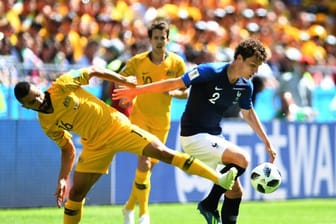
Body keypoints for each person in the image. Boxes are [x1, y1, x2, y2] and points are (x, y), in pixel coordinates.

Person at [13, 66, 237, 224]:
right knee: (76, 194)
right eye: (32, 101)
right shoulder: (46, 123)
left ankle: (218, 179)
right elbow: (67, 148)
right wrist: (63, 177)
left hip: (116, 127)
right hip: (94, 145)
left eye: (38, 94)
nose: (39, 100)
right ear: (25, 106)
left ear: (39, 89)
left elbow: (92, 70)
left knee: (160, 152)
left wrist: (123, 81)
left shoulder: (61, 86)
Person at [113, 38, 277, 224]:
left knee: (235, 192)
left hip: (213, 137)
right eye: (252, 65)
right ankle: (209, 203)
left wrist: (267, 142)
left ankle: (213, 206)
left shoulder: (246, 86)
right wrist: (136, 91)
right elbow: (172, 84)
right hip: (193, 136)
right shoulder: (208, 71)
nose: (255, 71)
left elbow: (248, 113)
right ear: (239, 58)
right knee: (242, 159)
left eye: (257, 67)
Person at [119, 18, 188, 224]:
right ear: (150, 39)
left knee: (147, 170)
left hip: (162, 122)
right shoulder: (138, 61)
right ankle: (144, 215)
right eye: (156, 38)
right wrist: (127, 87)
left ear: (168, 39)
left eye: (163, 38)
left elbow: (187, 91)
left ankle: (129, 207)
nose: (159, 41)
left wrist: (173, 93)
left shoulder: (176, 63)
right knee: (144, 161)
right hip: (140, 118)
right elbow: (120, 79)